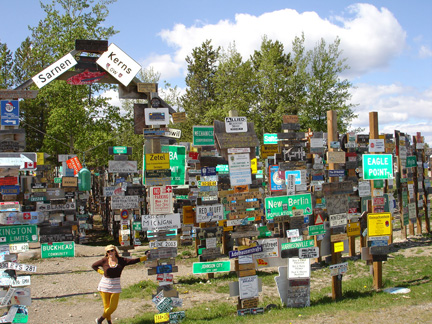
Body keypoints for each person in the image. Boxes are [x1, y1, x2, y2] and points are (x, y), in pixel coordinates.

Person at [92, 244, 149, 324]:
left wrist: (145, 257)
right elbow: (94, 266)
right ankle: (109, 322)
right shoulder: (104, 260)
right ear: (107, 253)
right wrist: (102, 272)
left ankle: (100, 320)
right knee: (106, 306)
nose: (110, 252)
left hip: (115, 286)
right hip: (104, 285)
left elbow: (133, 261)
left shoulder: (121, 260)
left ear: (115, 251)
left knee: (113, 307)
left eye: (112, 250)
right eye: (108, 251)